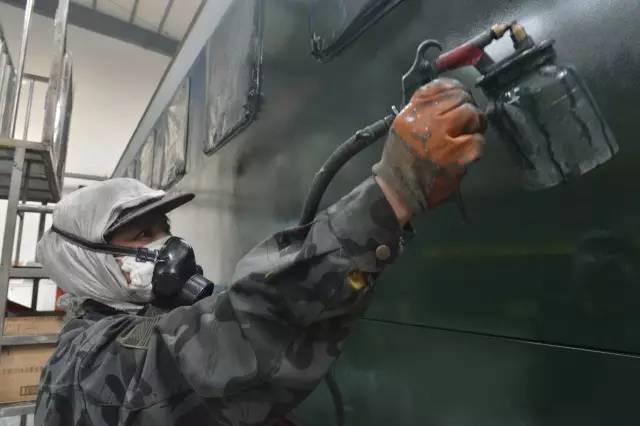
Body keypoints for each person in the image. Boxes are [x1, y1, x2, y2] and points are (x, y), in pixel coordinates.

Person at [34, 79, 486, 425]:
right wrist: (392, 194)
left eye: (163, 229)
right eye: (140, 235)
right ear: (86, 262)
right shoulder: (85, 365)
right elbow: (224, 347)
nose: (164, 245)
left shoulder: (143, 317)